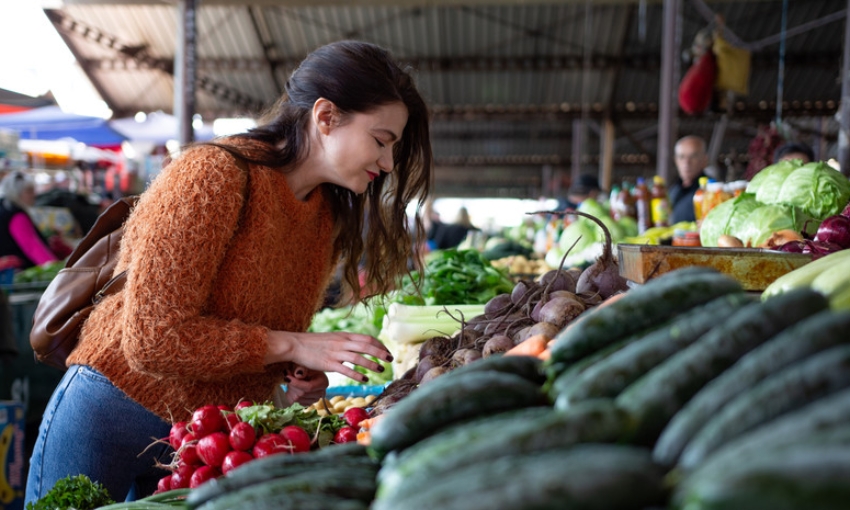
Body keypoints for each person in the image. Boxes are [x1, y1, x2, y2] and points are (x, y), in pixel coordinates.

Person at [25, 40, 433, 504]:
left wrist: (291, 375)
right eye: (381, 141)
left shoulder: (324, 217)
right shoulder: (212, 174)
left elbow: (252, 335)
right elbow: (153, 338)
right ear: (326, 116)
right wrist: (292, 343)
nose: (386, 163)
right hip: (111, 412)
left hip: (202, 443)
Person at [0, 171, 61, 270]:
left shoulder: (4, 208)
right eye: (29, 191)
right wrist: (56, 270)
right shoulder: (16, 215)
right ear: (17, 193)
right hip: (17, 273)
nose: (34, 195)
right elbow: (32, 246)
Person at [669, 135, 709, 224]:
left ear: (704, 160)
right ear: (676, 160)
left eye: (693, 156)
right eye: (681, 157)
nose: (686, 162)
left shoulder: (711, 191)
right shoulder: (673, 190)